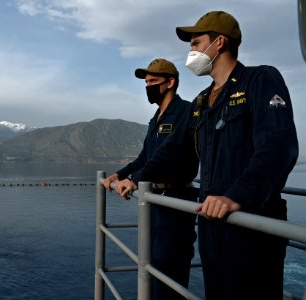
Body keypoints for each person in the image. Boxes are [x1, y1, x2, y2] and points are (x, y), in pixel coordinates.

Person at [116, 11, 299, 300]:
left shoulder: (260, 79)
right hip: (212, 222)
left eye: (196, 43)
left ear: (220, 43)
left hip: (251, 221)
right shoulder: (202, 100)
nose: (191, 51)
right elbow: (173, 150)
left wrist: (237, 195)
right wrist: (136, 179)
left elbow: (279, 144)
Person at [104, 58, 198, 300]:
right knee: (152, 265)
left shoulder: (185, 112)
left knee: (171, 267)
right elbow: (146, 157)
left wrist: (135, 180)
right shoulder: (156, 118)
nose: (148, 86)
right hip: (155, 200)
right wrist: (120, 174)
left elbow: (171, 155)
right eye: (146, 82)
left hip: (176, 200)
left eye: (153, 81)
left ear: (170, 82)